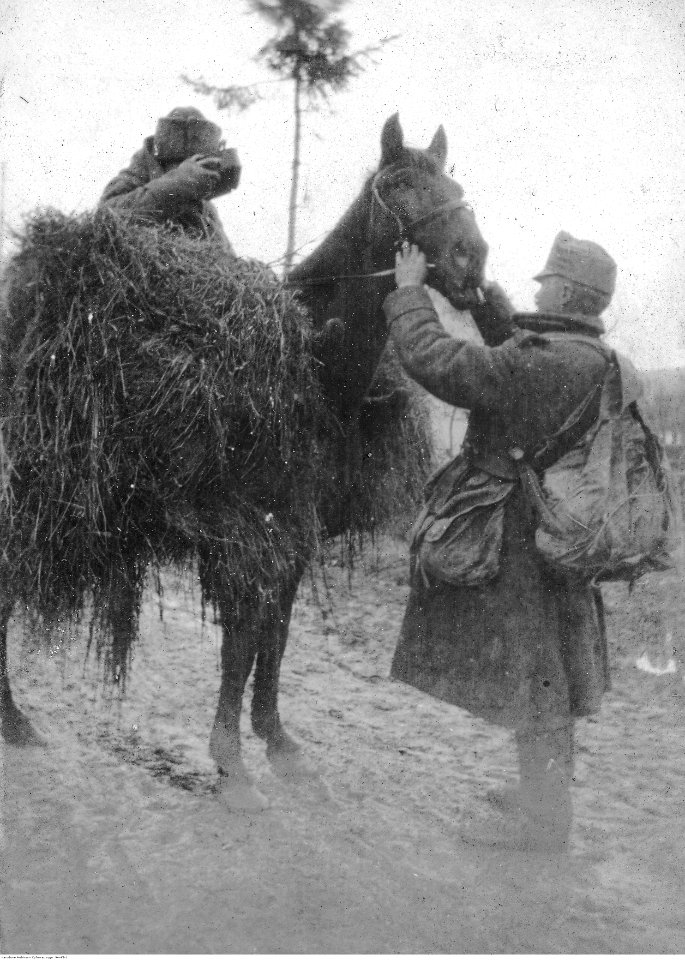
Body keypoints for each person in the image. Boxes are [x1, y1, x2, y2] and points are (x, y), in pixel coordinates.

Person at [383, 231, 621, 852]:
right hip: (555, 527)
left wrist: (410, 296)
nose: (538, 290)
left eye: (546, 284)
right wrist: (484, 299)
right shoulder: (586, 354)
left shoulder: (552, 359)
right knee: (549, 668)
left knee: (534, 673)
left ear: (566, 292)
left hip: (519, 531)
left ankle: (544, 822)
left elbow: (445, 365)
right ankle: (540, 795)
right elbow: (515, 346)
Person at [99, 106, 239, 251]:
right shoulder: (139, 174)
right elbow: (104, 216)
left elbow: (225, 259)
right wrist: (179, 183)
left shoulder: (206, 210)